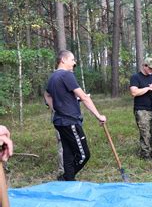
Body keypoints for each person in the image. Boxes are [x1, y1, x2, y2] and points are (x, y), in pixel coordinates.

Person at [44, 50, 106, 181]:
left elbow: (47, 95)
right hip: (69, 122)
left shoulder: (52, 77)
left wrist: (56, 108)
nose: (74, 62)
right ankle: (67, 177)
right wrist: (98, 116)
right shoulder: (66, 75)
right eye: (72, 60)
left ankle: (69, 182)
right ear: (63, 60)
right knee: (84, 155)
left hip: (59, 121)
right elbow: (83, 97)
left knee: (68, 153)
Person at [129, 57, 152, 160]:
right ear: (144, 66)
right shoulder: (135, 77)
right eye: (150, 68)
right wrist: (148, 88)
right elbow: (134, 92)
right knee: (145, 133)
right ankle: (145, 154)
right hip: (141, 110)